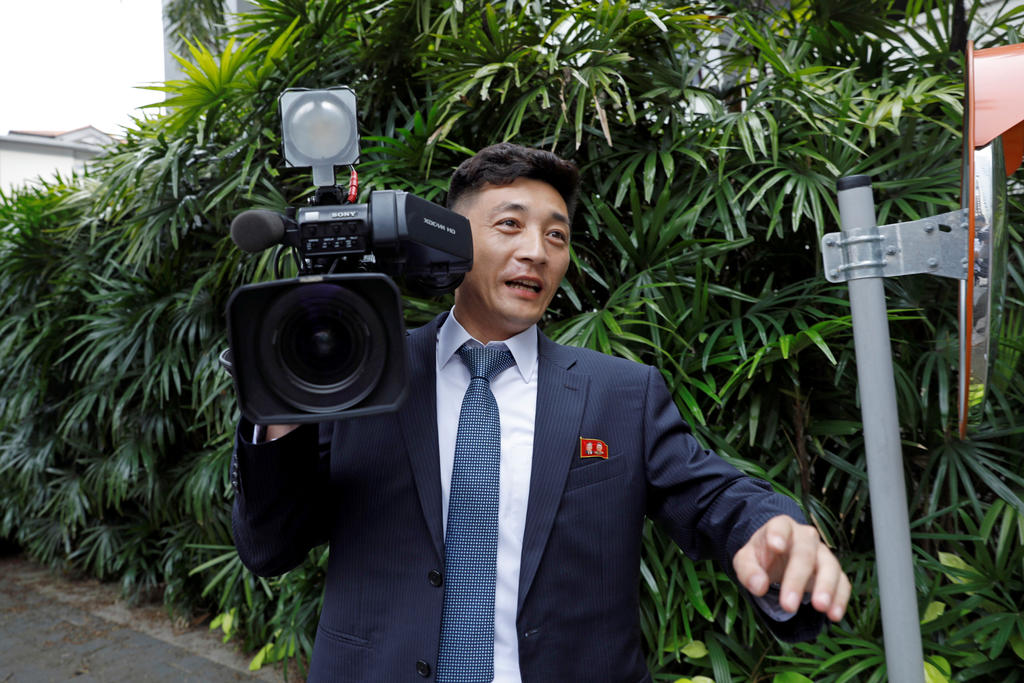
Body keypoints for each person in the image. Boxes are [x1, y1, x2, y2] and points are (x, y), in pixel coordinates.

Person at [230, 143, 850, 682]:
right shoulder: (362, 376)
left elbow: (714, 495)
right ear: (449, 235)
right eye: (509, 225)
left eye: (557, 235)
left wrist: (768, 529)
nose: (537, 251)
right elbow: (270, 546)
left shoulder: (621, 393)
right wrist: (285, 402)